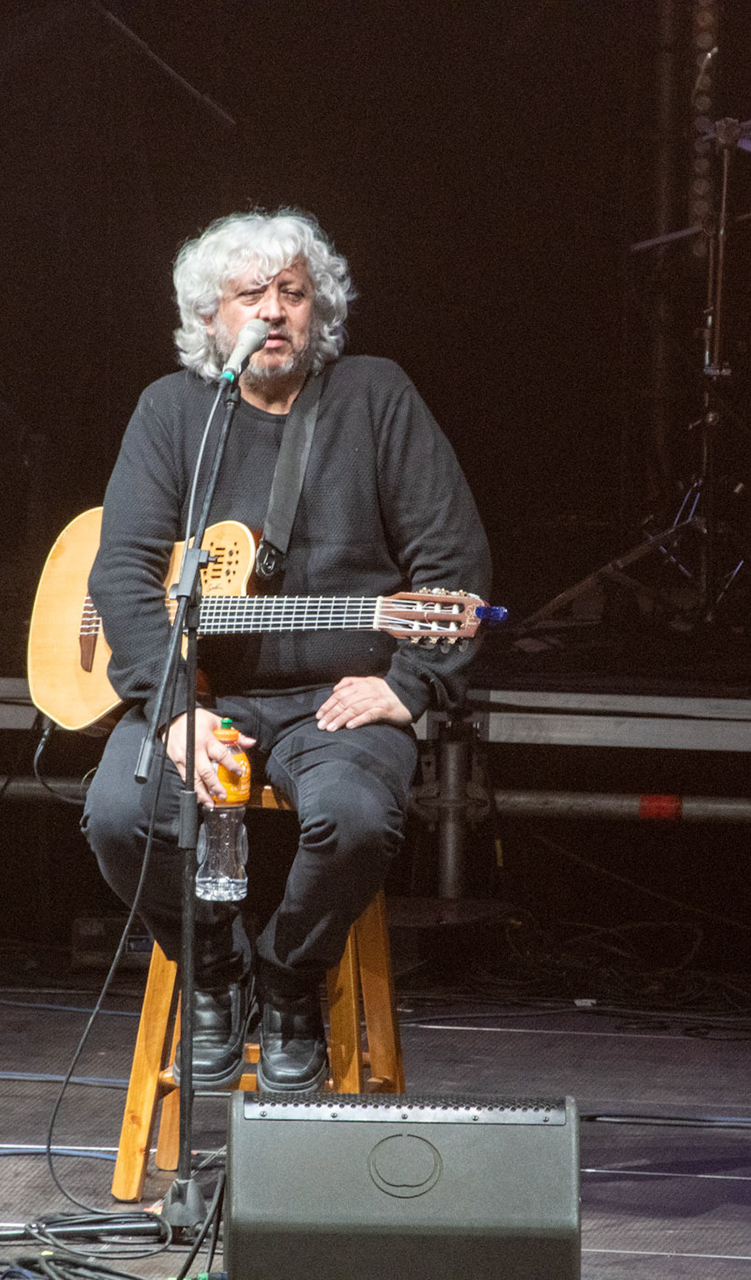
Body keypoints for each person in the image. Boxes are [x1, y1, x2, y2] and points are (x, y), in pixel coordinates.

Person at [82, 209, 490, 1093]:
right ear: (211, 319)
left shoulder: (376, 396)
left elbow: (453, 563)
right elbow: (121, 573)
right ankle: (214, 970)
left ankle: (290, 977)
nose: (274, 310)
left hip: (335, 703)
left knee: (355, 822)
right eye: (250, 294)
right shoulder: (172, 411)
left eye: (293, 293)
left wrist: (411, 686)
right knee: (117, 816)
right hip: (202, 695)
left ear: (319, 310)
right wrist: (175, 711)